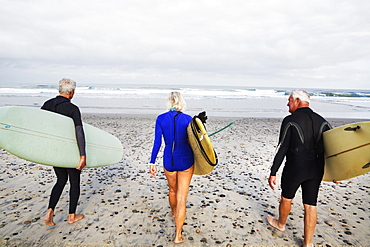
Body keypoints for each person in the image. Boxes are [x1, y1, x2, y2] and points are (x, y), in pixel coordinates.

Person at [267, 90, 331, 247]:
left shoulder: (290, 121)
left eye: (289, 100)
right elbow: (332, 150)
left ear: (297, 101)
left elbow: (282, 148)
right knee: (310, 205)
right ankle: (307, 243)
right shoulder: (322, 121)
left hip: (295, 168)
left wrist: (273, 172)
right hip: (316, 170)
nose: (287, 103)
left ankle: (280, 224)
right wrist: (336, 172)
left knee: (286, 198)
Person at [149, 92, 194, 244]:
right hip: (185, 159)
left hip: (169, 159)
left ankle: (174, 212)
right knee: (182, 198)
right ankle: (178, 236)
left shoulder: (161, 118)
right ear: (182, 102)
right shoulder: (188, 119)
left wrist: (152, 162)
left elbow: (157, 142)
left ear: (169, 102)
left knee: (172, 190)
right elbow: (195, 144)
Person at [41, 78, 86, 226]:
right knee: (74, 182)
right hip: (70, 151)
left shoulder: (47, 105)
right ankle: (72, 216)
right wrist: (82, 155)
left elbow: (40, 128)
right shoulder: (72, 109)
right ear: (72, 92)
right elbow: (79, 131)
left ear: (60, 90)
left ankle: (50, 211)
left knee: (60, 180)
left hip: (55, 151)